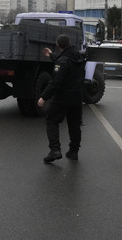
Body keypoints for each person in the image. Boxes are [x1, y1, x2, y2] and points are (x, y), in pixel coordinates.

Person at [37, 34, 85, 163]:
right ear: (69, 43)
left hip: (63, 98)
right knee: (74, 124)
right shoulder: (78, 57)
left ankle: (55, 150)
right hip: (76, 98)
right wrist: (51, 55)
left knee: (52, 120)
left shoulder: (62, 61)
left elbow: (55, 82)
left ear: (58, 45)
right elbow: (64, 60)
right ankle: (73, 151)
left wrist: (43, 97)